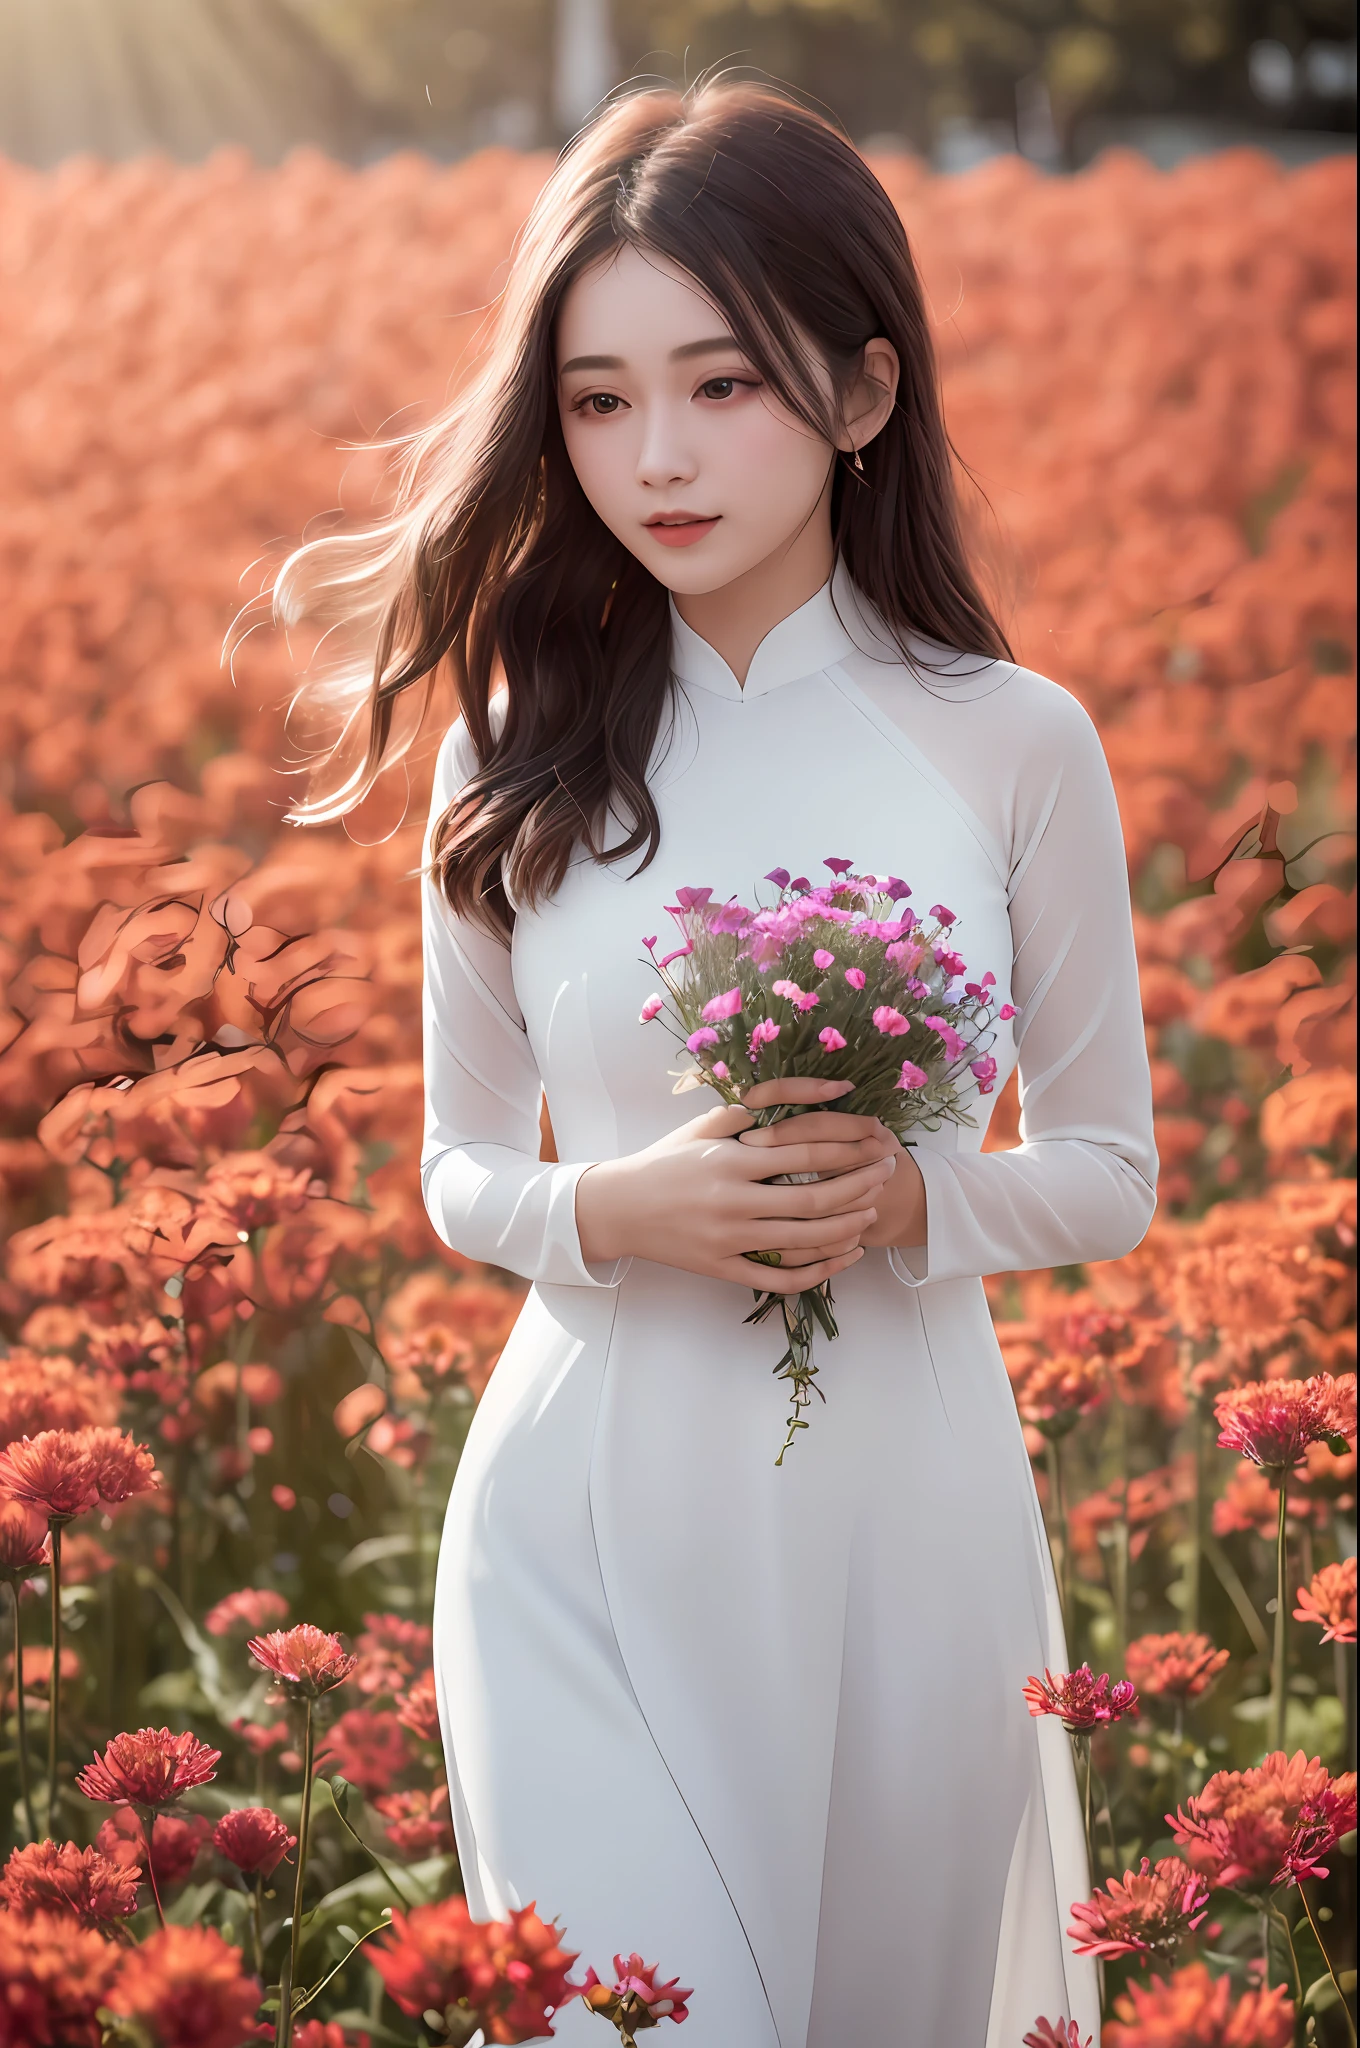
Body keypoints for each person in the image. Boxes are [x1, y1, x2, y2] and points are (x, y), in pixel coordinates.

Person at [277, 81, 1156, 2046]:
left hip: (904, 1546)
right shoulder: (512, 739)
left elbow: (1105, 1166)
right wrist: (617, 1207)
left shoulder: (1011, 745)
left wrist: (919, 1191)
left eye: (717, 389)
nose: (652, 457)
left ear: (857, 393)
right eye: (594, 401)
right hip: (579, 1526)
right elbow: (461, 1172)